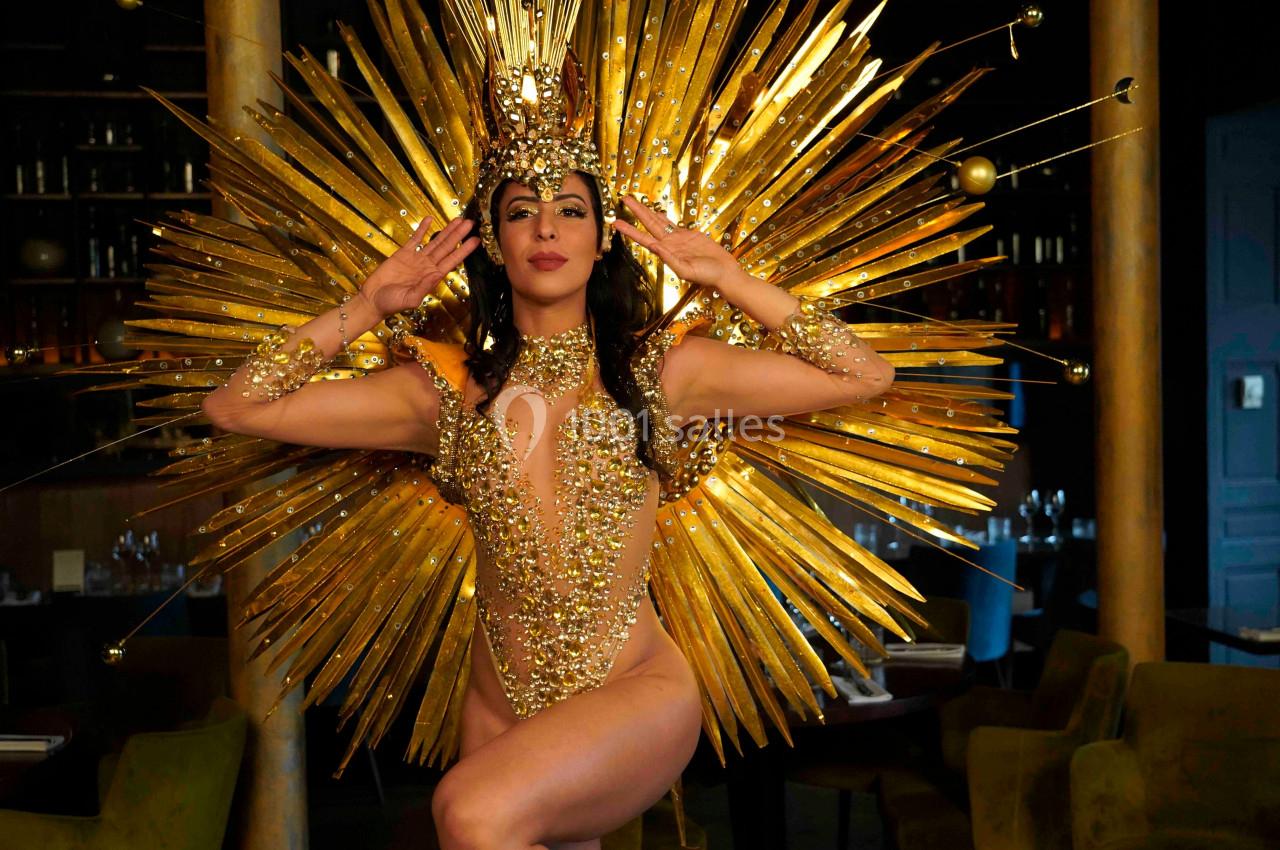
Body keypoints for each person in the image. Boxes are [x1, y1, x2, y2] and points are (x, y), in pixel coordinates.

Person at [201, 159, 894, 847]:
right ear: (496, 245)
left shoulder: (665, 374)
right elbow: (235, 406)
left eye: (570, 209)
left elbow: (865, 373)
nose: (545, 227)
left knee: (472, 812)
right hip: (498, 710)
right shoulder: (442, 395)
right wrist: (366, 306)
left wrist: (730, 280)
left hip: (636, 691)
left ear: (603, 240)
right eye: (520, 211)